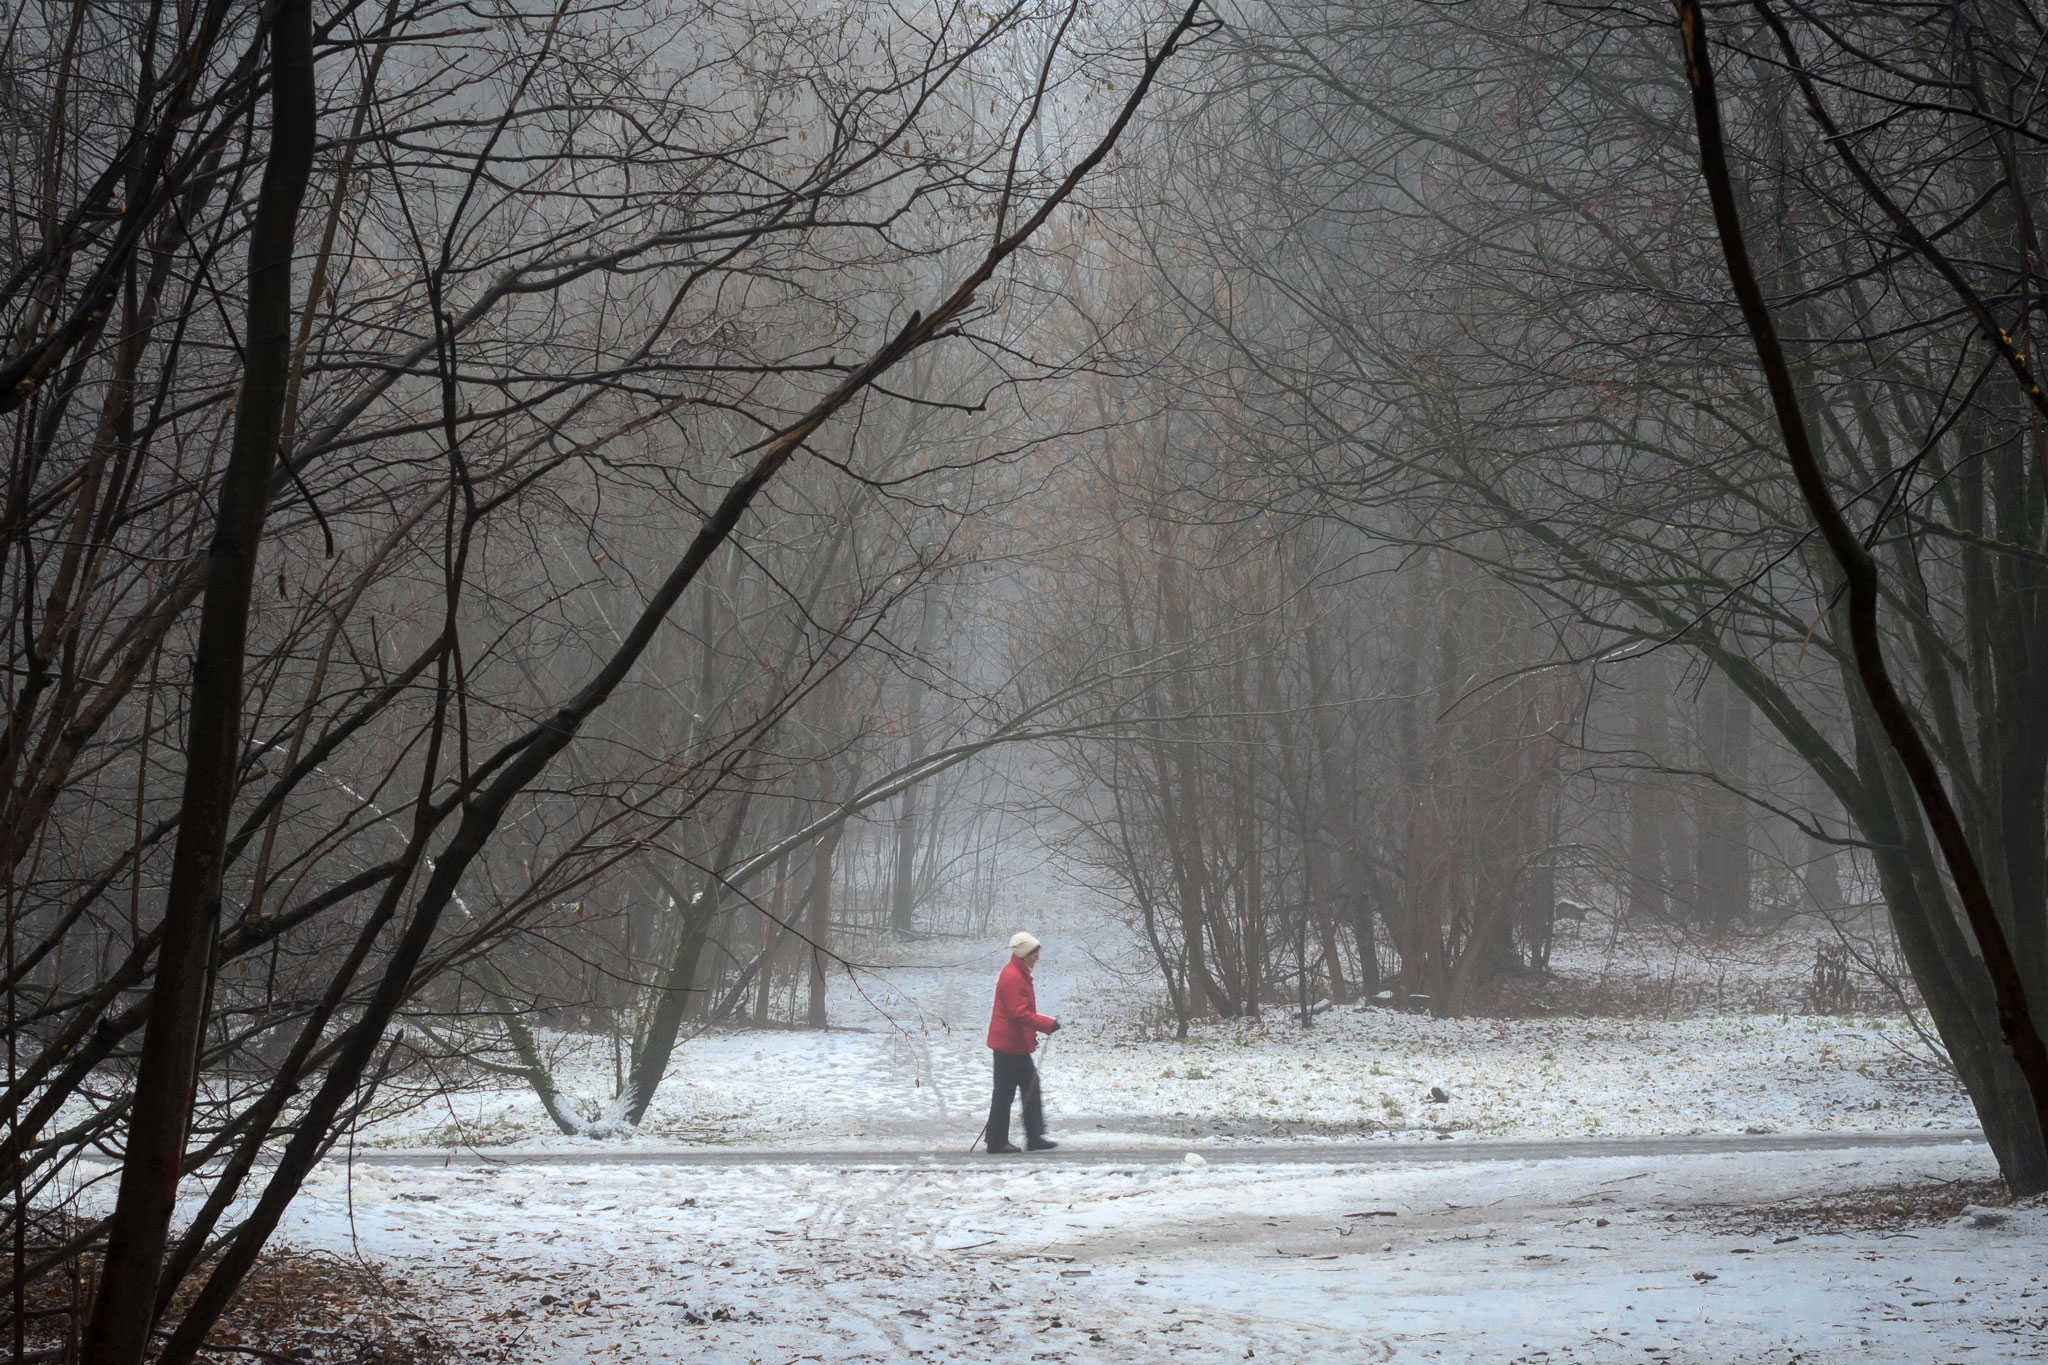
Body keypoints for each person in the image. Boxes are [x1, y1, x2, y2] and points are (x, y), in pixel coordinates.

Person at [984, 930, 1059, 1153]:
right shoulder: (1013, 977)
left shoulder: (1019, 973)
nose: (1037, 957)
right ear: (1025, 953)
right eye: (1034, 953)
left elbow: (1020, 1014)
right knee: (1005, 1094)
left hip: (1014, 1044)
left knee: (1030, 1088)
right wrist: (1047, 1024)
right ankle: (997, 1142)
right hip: (1008, 1046)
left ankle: (1033, 1137)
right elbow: (1018, 1013)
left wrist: (1033, 1035)